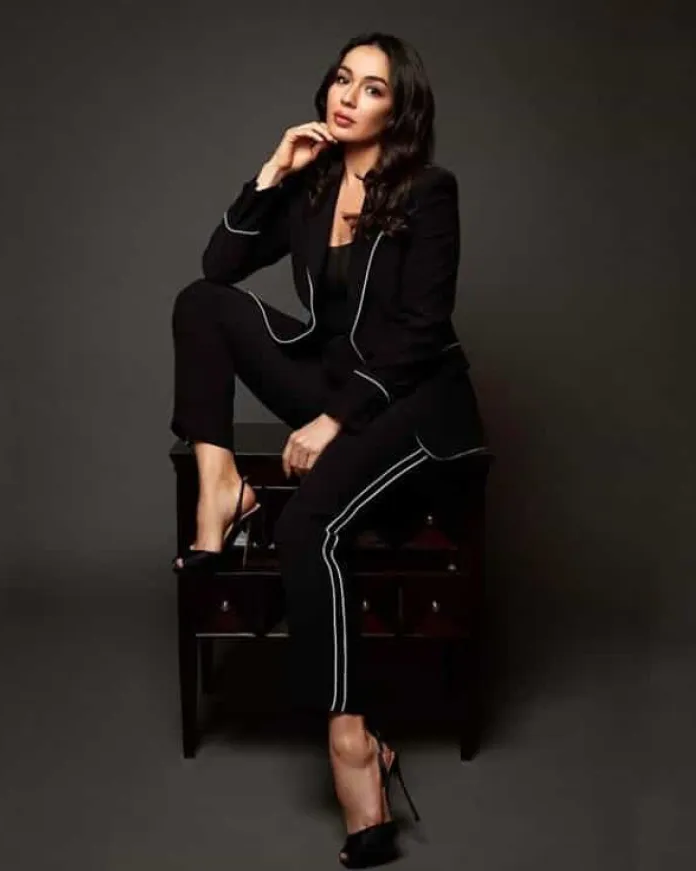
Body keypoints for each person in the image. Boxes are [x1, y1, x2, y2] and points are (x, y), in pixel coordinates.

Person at [169, 31, 488, 867]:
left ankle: (353, 744)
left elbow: (421, 332)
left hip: (415, 403)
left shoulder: (429, 191)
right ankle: (220, 484)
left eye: (372, 87)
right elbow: (220, 265)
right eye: (343, 79)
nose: (348, 97)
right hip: (337, 383)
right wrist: (273, 170)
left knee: (307, 523)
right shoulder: (311, 188)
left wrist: (333, 420)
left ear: (399, 108)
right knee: (200, 303)